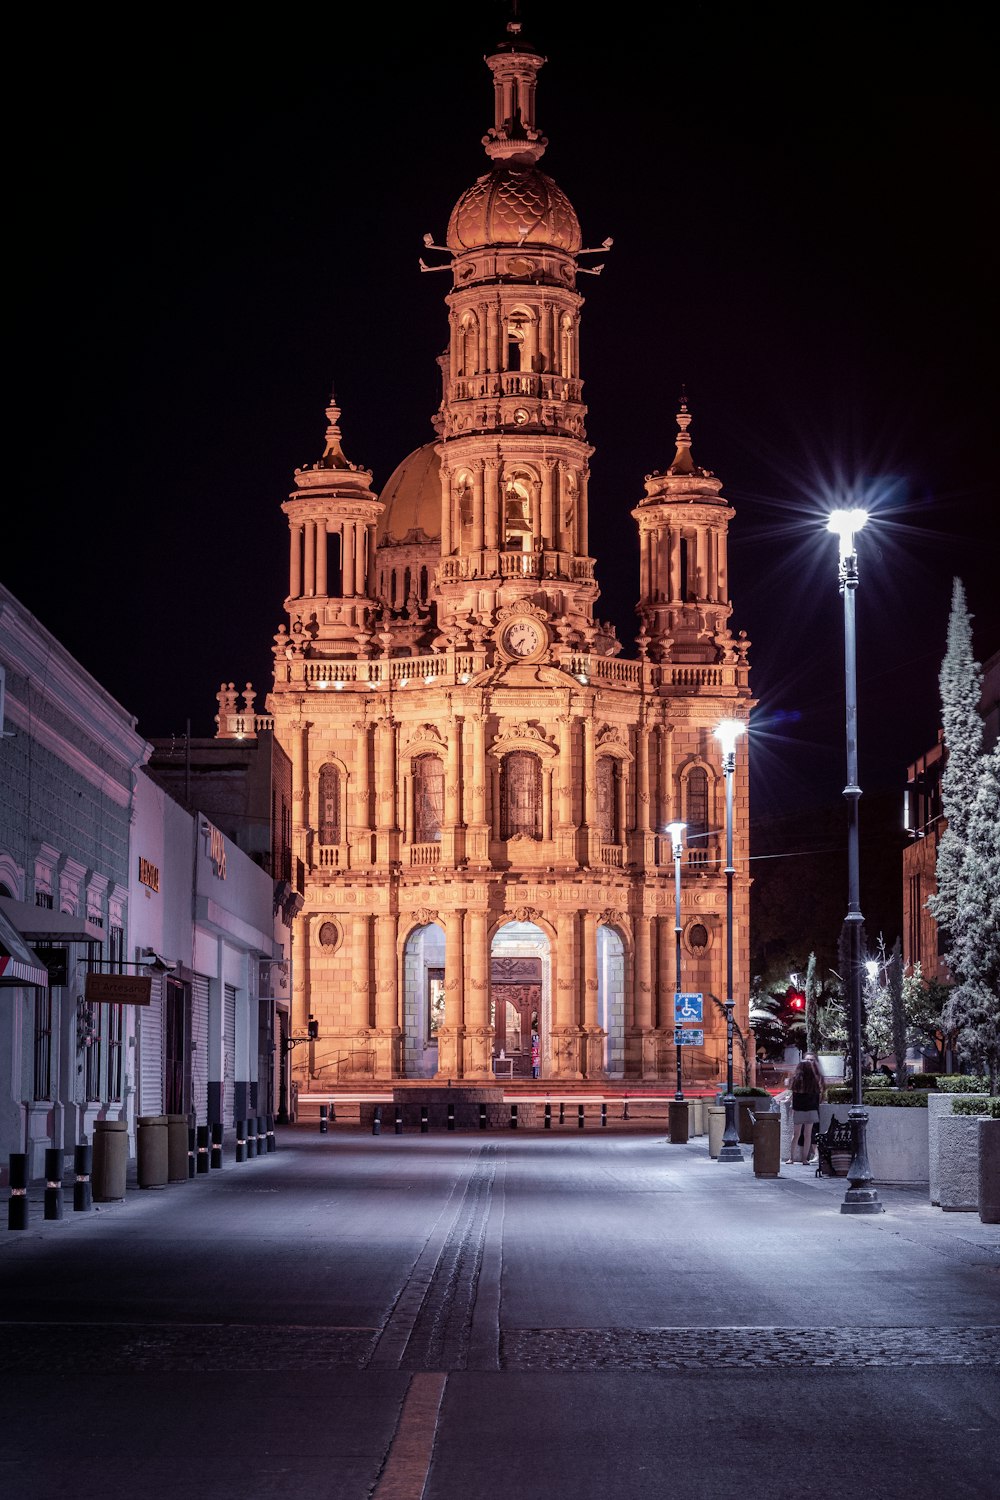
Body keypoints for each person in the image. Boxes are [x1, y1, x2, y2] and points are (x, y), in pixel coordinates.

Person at [785, 1053, 824, 1165]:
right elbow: (817, 1095)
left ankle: (791, 1158)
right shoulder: (813, 1081)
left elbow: (795, 1095)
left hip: (799, 1109)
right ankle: (804, 1159)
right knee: (808, 1135)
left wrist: (793, 1107)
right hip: (811, 1109)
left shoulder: (796, 1080)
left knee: (795, 1134)